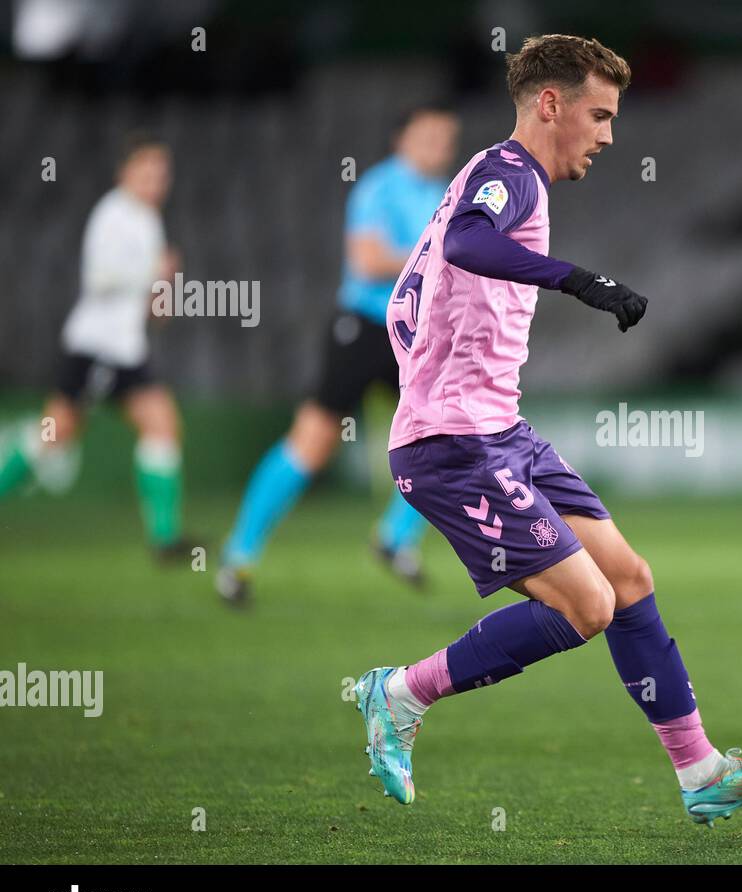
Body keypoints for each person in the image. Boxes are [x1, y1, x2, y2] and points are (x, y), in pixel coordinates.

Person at [354, 35, 742, 827]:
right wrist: (584, 281)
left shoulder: (498, 176)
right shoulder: (507, 176)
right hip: (454, 444)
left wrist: (424, 358)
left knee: (628, 577)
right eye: (599, 115)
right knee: (589, 605)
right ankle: (397, 693)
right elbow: (464, 242)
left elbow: (411, 293)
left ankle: (699, 769)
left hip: (501, 429)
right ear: (550, 104)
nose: (608, 135)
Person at [216, 104, 461, 605]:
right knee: (313, 442)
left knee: (448, 437)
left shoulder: (447, 195)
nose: (439, 143)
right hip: (365, 328)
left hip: (416, 337)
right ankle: (237, 557)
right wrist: (436, 254)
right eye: (429, 134)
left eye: (446, 135)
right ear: (402, 139)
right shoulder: (377, 187)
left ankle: (394, 539)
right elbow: (367, 261)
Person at [0, 134, 192, 560]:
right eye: (147, 171)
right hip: (97, 348)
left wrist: (165, 291)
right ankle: (164, 537)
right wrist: (152, 272)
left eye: (161, 174)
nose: (156, 181)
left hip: (126, 349)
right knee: (56, 433)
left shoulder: (147, 219)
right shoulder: (113, 215)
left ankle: (165, 538)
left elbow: (152, 305)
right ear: (124, 172)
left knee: (161, 425)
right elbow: (100, 278)